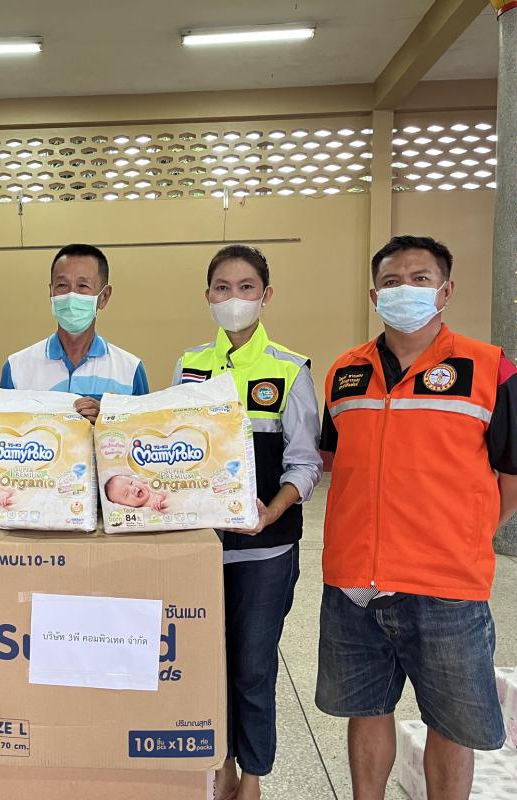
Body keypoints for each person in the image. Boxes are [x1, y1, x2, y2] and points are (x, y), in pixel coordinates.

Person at [315, 235, 517, 800]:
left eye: (420, 278)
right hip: (354, 582)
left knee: (451, 724)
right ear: (374, 295)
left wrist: (466, 533)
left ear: (446, 290)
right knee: (366, 708)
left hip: (446, 587)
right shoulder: (345, 372)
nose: (405, 290)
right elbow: (334, 461)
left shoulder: (489, 368)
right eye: (392, 281)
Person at [173, 245, 322, 800]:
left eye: (245, 288)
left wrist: (273, 510)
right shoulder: (189, 365)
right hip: (200, 549)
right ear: (207, 295)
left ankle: (254, 775)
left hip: (266, 549)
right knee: (206, 664)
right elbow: (173, 449)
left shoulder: (290, 369)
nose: (233, 298)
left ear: (265, 295)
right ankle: (222, 765)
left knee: (253, 667)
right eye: (222, 288)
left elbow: (305, 464)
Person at [0, 243, 149, 421]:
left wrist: (108, 422)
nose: (71, 295)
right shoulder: (17, 368)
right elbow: (3, 431)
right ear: (51, 292)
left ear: (104, 296)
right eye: (62, 285)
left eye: (83, 286)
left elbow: (142, 431)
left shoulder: (130, 370)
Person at [103, 474, 169, 512]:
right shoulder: (141, 510)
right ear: (126, 505)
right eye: (126, 494)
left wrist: (159, 496)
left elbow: (165, 488)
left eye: (131, 483)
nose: (133, 489)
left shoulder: (148, 485)